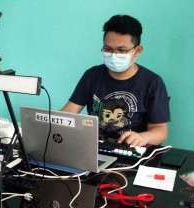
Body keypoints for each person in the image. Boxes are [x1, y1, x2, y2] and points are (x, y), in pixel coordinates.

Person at [62, 14, 170, 146]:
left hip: (132, 152)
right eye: (108, 49)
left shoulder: (152, 82)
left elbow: (160, 131)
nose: (114, 55)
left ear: (138, 51)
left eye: (121, 50)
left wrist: (143, 137)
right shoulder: (92, 75)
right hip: (94, 148)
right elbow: (68, 113)